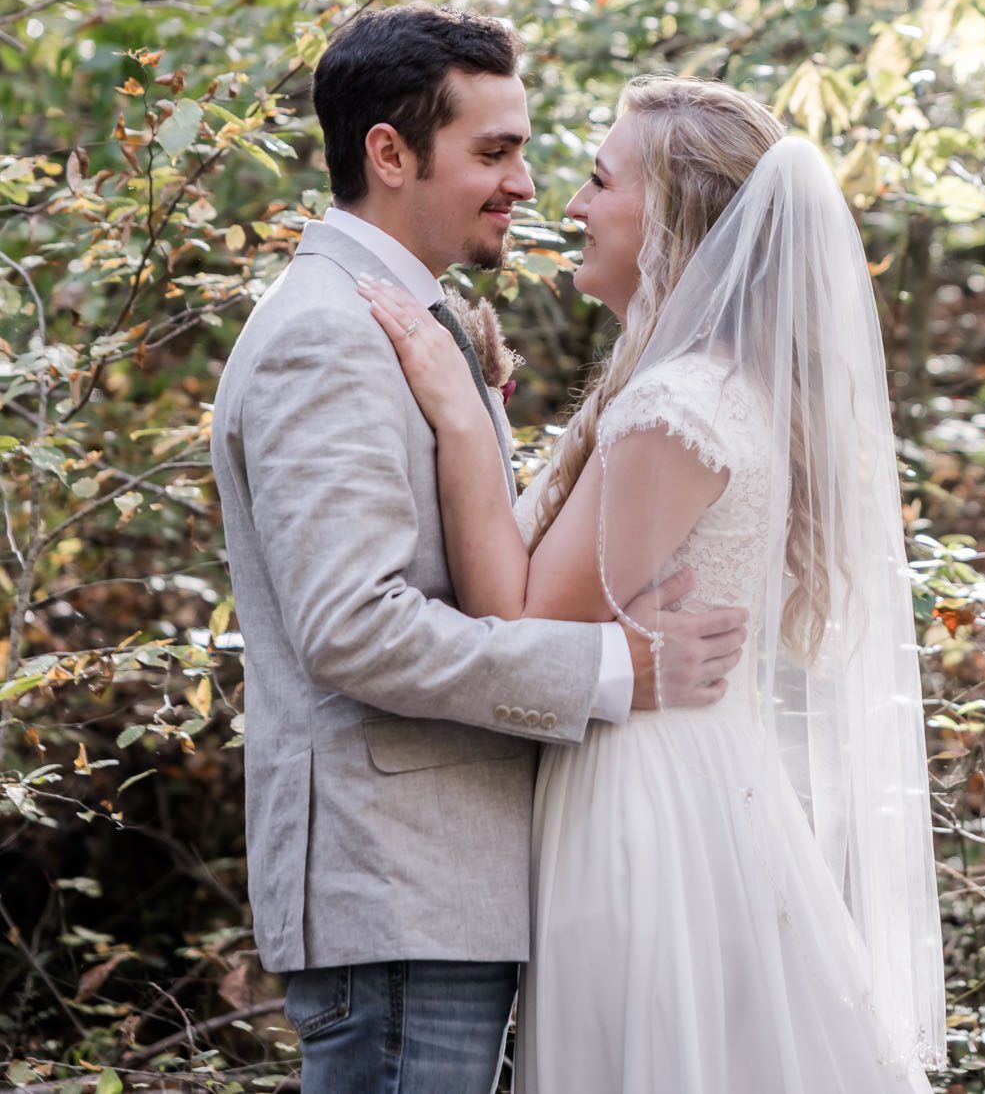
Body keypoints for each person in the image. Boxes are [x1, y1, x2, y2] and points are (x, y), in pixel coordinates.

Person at [357, 75, 946, 1091]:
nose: (571, 205)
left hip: (645, 804)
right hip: (677, 772)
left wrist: (458, 415)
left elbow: (522, 614)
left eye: (598, 179)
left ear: (675, 213)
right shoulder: (700, 384)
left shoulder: (679, 406)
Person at [211, 7, 748, 1094]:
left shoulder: (414, 317)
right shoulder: (327, 332)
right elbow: (353, 628)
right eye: (493, 152)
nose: (526, 183)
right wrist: (615, 670)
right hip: (400, 886)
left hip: (448, 887)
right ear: (390, 152)